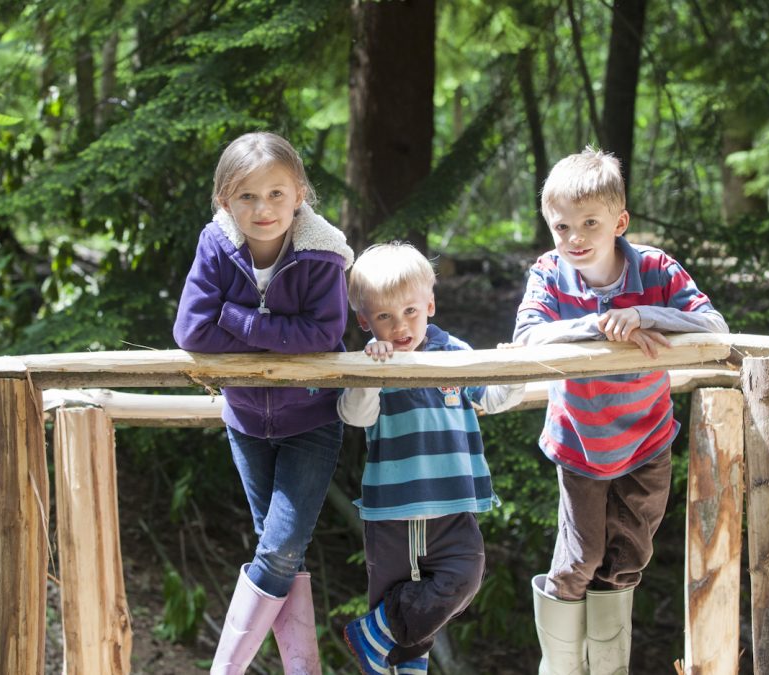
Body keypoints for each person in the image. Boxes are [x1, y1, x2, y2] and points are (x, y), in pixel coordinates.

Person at [513, 147, 728, 675]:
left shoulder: (655, 269)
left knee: (628, 559)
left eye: (590, 223)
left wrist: (643, 315)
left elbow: (714, 328)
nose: (575, 239)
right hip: (580, 442)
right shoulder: (549, 272)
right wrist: (600, 325)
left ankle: (608, 669)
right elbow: (525, 338)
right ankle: (561, 668)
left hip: (647, 439)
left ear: (620, 221)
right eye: (562, 227)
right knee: (580, 558)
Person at [173, 131, 354, 675]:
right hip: (246, 420)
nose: (263, 208)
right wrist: (279, 332)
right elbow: (189, 329)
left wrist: (236, 318)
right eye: (247, 196)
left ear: (299, 193)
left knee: (277, 550)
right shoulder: (217, 244)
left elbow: (324, 334)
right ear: (225, 201)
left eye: (276, 194)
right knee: (282, 551)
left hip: (312, 418)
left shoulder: (321, 253)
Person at [337, 242, 525, 675]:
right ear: (365, 321)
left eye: (410, 312)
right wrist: (370, 374)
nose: (400, 326)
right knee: (397, 593)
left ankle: (375, 632)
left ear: (430, 305)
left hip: (453, 503)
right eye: (384, 317)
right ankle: (403, 662)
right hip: (395, 510)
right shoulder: (371, 363)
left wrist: (514, 372)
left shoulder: (454, 353)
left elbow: (491, 399)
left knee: (465, 574)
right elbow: (354, 415)